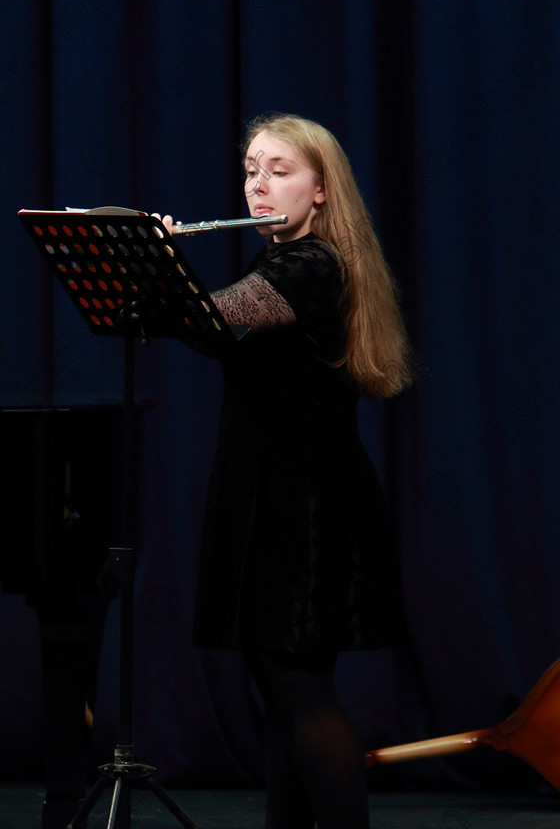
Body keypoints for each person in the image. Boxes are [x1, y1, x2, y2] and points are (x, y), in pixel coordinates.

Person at [157, 112, 412, 829]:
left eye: (280, 171)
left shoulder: (307, 265)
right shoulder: (284, 261)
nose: (258, 187)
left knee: (297, 686)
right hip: (283, 491)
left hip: (303, 503)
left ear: (321, 189)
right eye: (251, 170)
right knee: (284, 685)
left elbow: (213, 326)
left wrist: (161, 261)